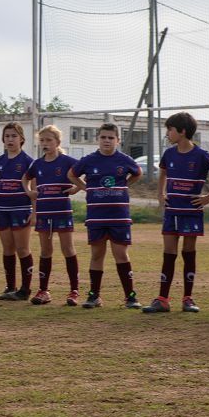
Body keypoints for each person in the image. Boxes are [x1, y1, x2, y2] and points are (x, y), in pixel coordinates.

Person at [142, 112, 209, 314]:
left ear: (182, 131)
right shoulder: (169, 154)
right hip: (172, 211)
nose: (167, 133)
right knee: (169, 253)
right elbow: (163, 171)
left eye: (170, 129)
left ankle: (188, 298)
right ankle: (162, 299)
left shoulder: (201, 155)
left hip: (191, 212)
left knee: (188, 252)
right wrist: (160, 193)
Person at [69, 123, 142, 309]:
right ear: (98, 139)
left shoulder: (124, 160)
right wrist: (86, 187)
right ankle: (94, 296)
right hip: (97, 216)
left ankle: (130, 296)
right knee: (97, 255)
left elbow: (137, 173)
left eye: (111, 138)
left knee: (121, 255)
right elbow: (72, 174)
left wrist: (125, 185)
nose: (107, 141)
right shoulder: (89, 160)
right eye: (103, 137)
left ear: (118, 140)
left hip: (119, 217)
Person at [21, 125, 78, 305]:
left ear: (57, 142)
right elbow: (25, 178)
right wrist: (29, 191)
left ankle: (74, 291)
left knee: (67, 249)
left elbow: (83, 175)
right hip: (44, 212)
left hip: (62, 210)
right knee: (46, 250)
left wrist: (76, 188)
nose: (45, 144)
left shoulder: (67, 161)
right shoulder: (37, 164)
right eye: (42, 140)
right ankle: (44, 291)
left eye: (49, 140)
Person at [0, 122, 35, 301]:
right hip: (2, 210)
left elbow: (34, 189)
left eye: (14, 136)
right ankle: (10, 287)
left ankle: (25, 289)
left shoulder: (28, 162)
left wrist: (35, 211)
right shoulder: (0, 162)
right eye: (7, 136)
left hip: (21, 209)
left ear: (22, 139)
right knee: (7, 249)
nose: (10, 139)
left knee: (22, 249)